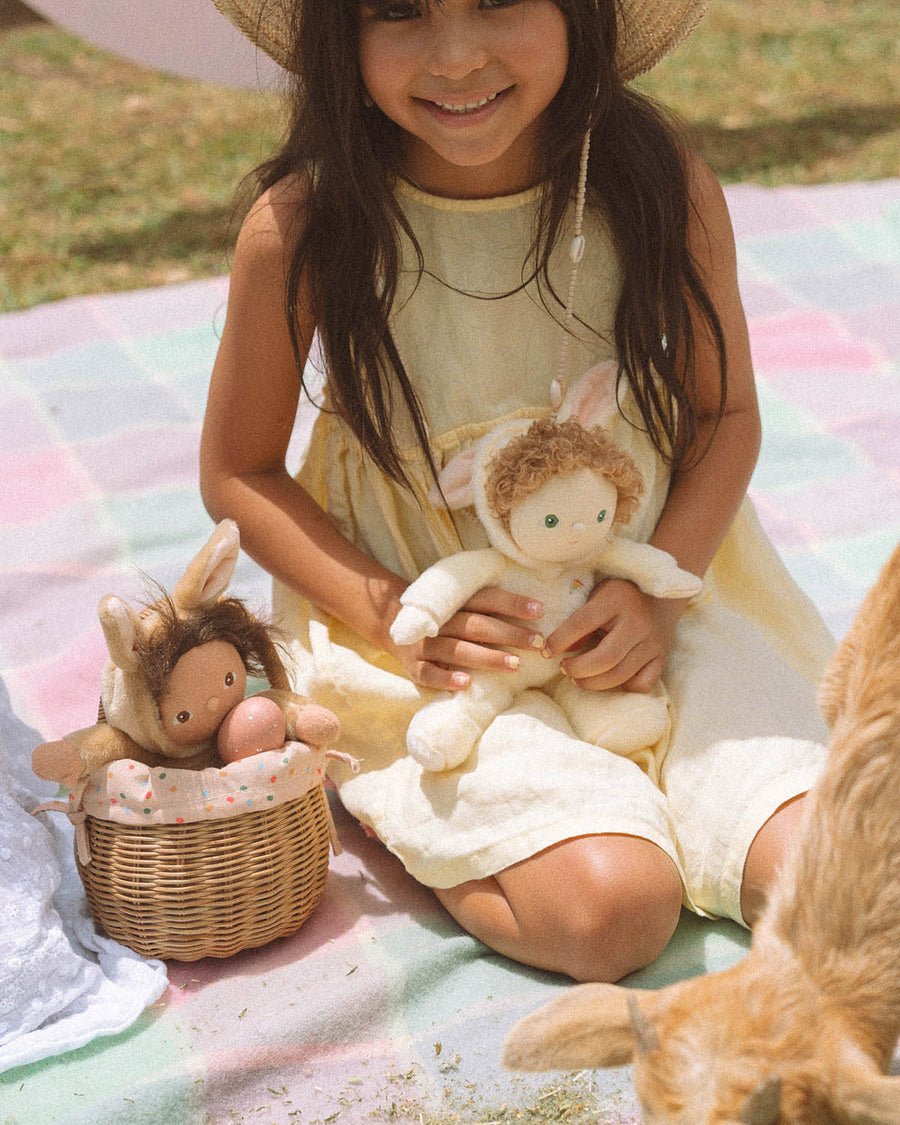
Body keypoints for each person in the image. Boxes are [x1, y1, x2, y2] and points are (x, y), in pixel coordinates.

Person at [201, 0, 835, 983]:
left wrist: (660, 595)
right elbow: (238, 473)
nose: (456, 57)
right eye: (398, 12)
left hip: (655, 584)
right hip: (437, 640)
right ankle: (409, 811)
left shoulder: (656, 180)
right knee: (614, 911)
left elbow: (727, 417)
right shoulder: (306, 225)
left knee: (836, 883)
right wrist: (392, 611)